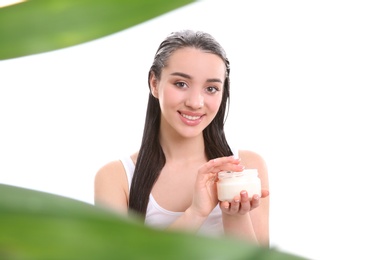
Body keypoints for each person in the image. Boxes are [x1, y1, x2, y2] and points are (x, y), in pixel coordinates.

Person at [94, 29, 270, 247]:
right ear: (154, 83)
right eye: (181, 84)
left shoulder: (247, 168)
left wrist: (235, 214)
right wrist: (195, 213)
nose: (195, 102)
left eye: (211, 88)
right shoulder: (116, 178)